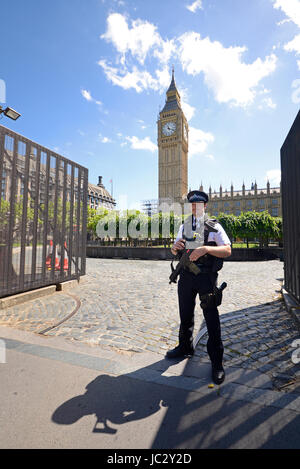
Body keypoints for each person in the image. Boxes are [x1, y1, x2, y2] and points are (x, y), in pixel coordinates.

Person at [166, 190, 231, 385]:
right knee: (185, 314)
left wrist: (206, 249)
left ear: (205, 206)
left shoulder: (214, 226)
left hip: (205, 278)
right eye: (192, 205)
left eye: (199, 204)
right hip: (186, 276)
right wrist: (174, 247)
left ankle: (217, 362)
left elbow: (227, 250)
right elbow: (174, 249)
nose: (195, 207)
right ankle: (185, 347)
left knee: (211, 318)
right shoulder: (184, 225)